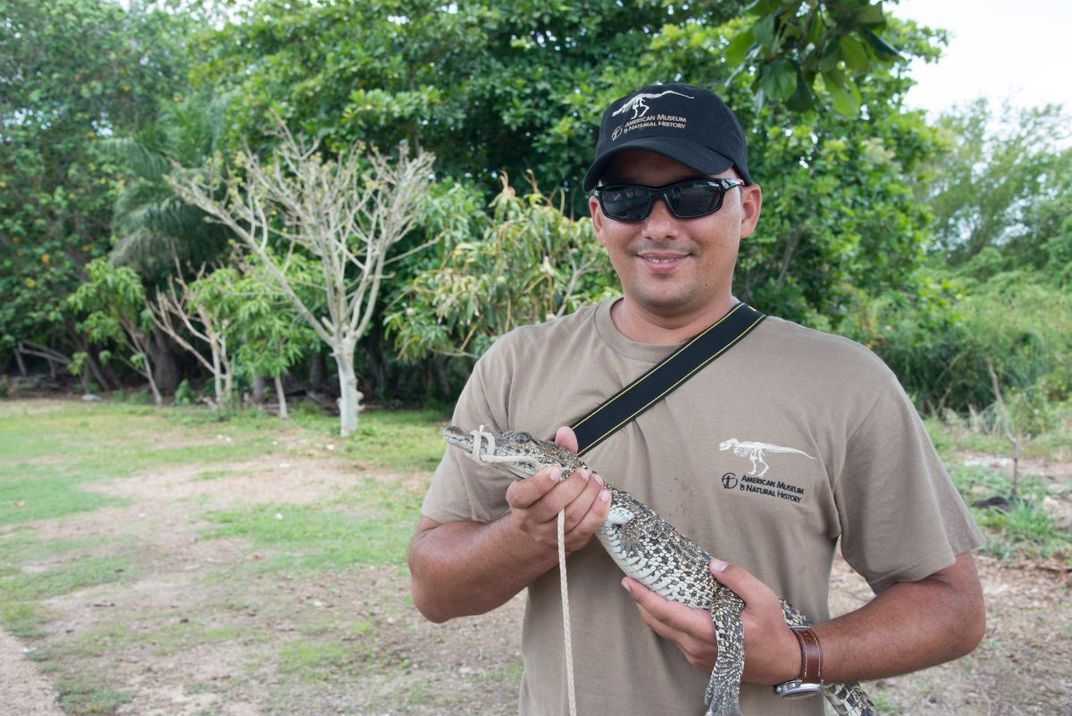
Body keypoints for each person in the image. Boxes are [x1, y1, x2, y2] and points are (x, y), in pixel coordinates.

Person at [408, 82, 986, 715]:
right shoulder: (516, 365)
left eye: (694, 195)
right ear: (599, 217)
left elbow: (953, 607)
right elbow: (433, 591)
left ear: (747, 209)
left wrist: (801, 654)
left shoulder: (849, 382)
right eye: (628, 199)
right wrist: (530, 535)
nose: (659, 225)